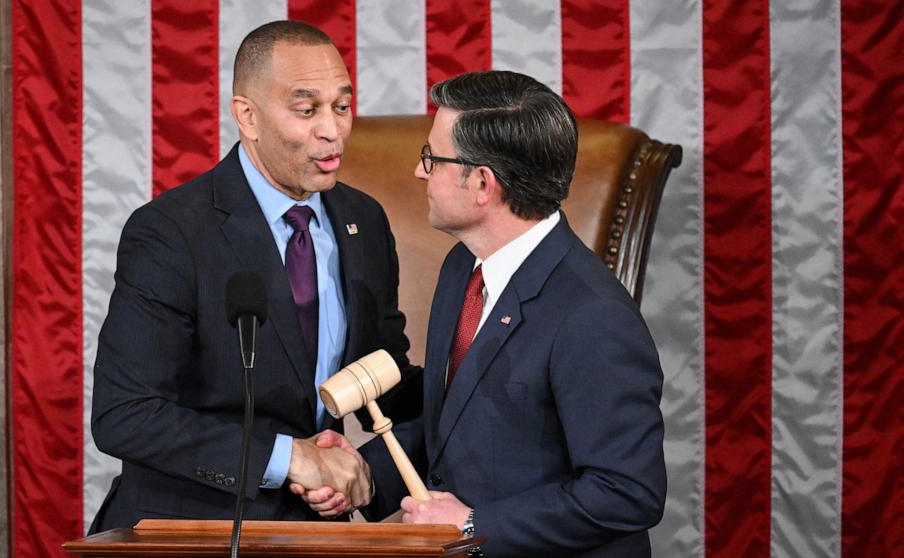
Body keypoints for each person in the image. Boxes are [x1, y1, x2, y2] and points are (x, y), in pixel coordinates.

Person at [299, 71, 667, 557]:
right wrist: (366, 475)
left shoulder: (594, 317)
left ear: (481, 183)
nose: (419, 172)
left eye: (431, 158)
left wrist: (473, 524)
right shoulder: (464, 267)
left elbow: (628, 493)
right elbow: (461, 423)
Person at [88, 20, 420, 532]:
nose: (332, 130)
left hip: (314, 531)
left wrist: (492, 391)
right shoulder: (172, 231)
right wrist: (291, 458)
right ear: (248, 116)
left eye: (342, 106)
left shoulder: (364, 221)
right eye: (307, 110)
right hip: (191, 526)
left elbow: (384, 374)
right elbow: (126, 414)